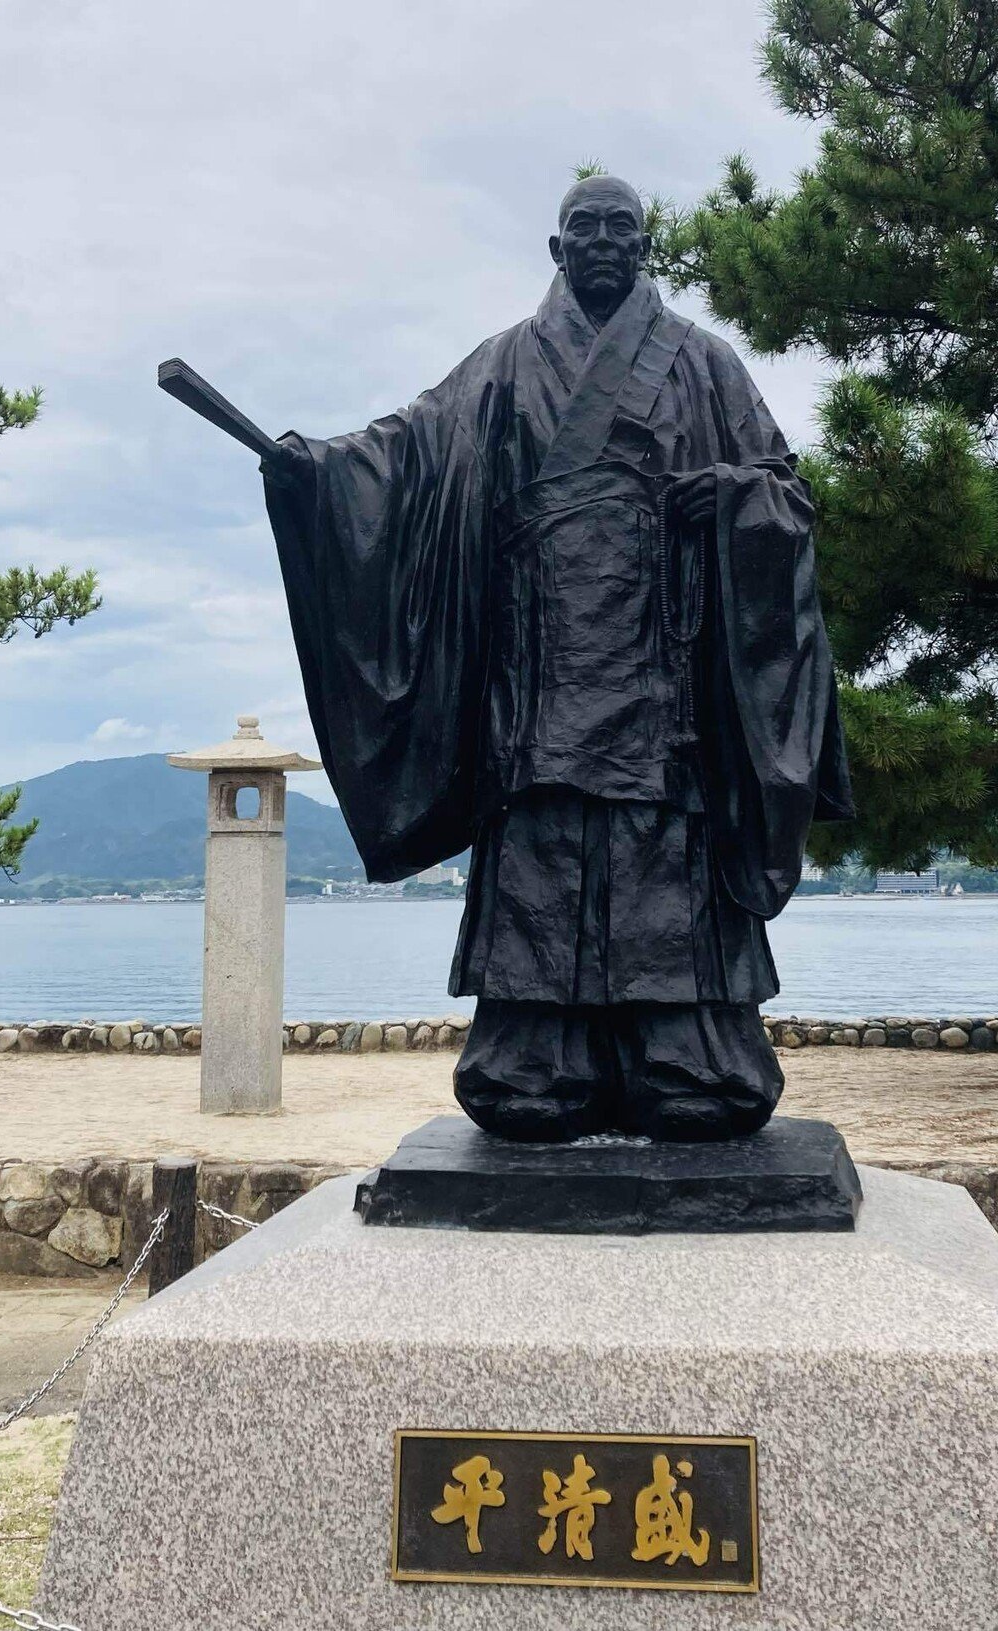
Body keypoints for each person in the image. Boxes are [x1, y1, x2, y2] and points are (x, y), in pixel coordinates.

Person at [263, 175, 851, 1142]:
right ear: (556, 247)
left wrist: (733, 496)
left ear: (646, 247)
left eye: (624, 228)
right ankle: (537, 1061)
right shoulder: (501, 367)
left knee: (663, 858)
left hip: (665, 678)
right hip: (537, 677)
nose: (607, 242)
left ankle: (686, 1056)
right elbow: (404, 452)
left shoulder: (705, 365)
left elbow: (784, 491)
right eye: (588, 228)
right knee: (546, 857)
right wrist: (317, 472)